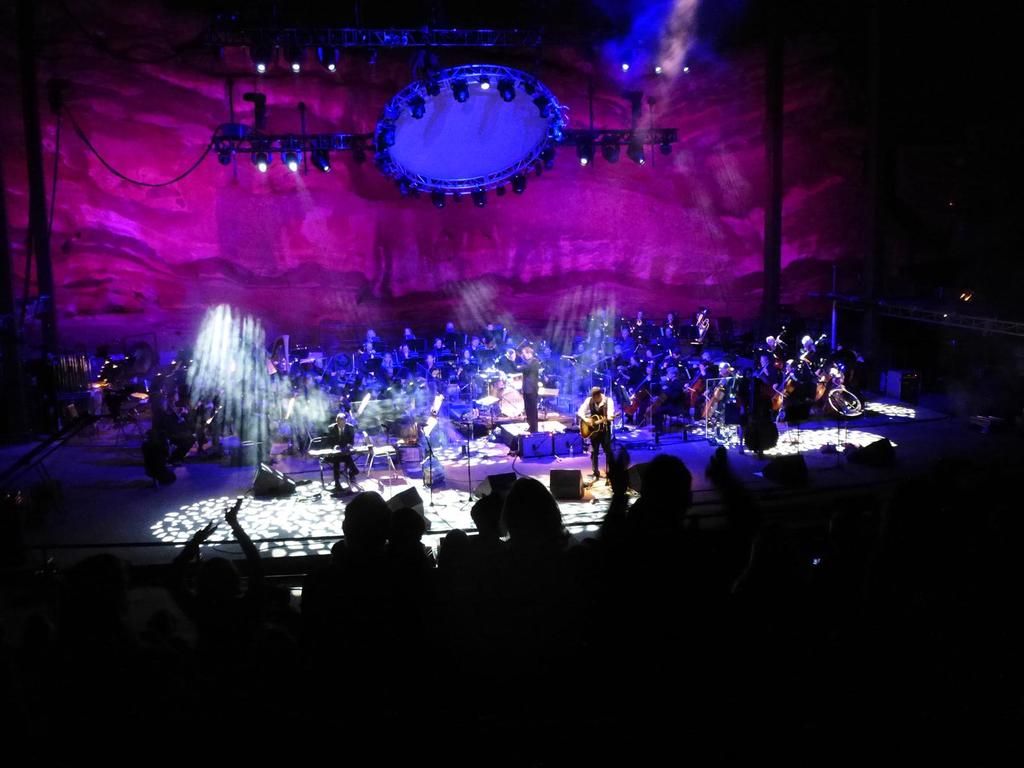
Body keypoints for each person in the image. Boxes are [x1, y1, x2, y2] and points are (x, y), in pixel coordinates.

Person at [577, 386, 615, 481]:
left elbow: (610, 415)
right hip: (594, 431)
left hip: (605, 430)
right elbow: (580, 412)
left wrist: (609, 418)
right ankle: (595, 472)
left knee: (608, 452)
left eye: (595, 398)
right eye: (592, 398)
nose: (593, 400)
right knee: (594, 452)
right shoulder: (589, 400)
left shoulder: (608, 401)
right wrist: (586, 420)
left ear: (599, 395)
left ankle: (610, 472)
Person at [325, 412, 360, 490]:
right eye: (339, 423)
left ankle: (352, 472)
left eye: (343, 423)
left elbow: (352, 441)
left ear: (345, 422)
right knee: (336, 460)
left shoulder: (350, 428)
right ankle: (337, 482)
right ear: (336, 422)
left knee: (347, 456)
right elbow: (329, 442)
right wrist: (334, 446)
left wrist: (349, 445)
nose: (341, 425)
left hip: (345, 450)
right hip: (334, 453)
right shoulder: (331, 428)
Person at [520, 345, 540, 433]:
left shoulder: (535, 362)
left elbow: (527, 369)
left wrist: (518, 366)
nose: (523, 355)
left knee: (533, 409)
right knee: (527, 409)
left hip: (532, 389)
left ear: (529, 353)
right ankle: (530, 426)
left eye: (524, 353)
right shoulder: (526, 362)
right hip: (526, 388)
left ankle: (534, 428)